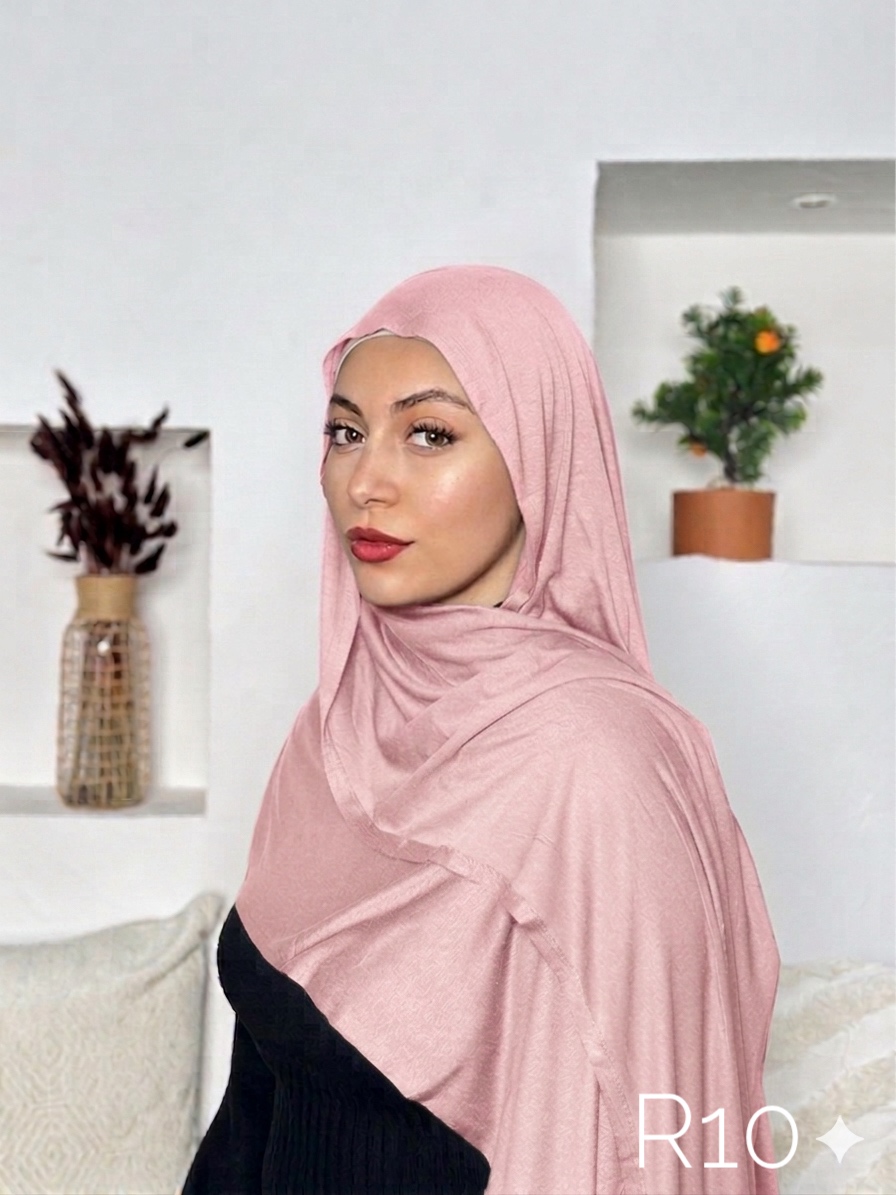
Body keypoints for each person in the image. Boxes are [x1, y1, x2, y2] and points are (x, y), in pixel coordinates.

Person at [183, 265, 781, 1194]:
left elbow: (655, 1134)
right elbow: (255, 1107)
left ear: (539, 456)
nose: (366, 481)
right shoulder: (334, 732)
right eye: (345, 432)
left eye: (430, 434)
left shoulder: (594, 762)